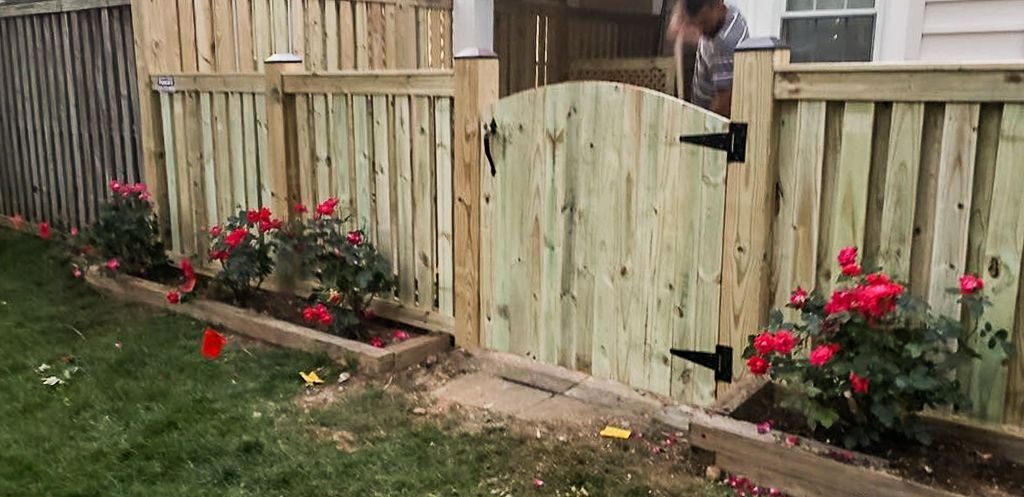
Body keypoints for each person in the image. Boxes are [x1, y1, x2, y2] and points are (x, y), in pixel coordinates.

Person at [668, 0, 749, 117]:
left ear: (718, 5)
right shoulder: (729, 14)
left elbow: (724, 104)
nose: (700, 31)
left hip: (712, 119)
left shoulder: (725, 42)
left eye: (703, 23)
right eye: (696, 23)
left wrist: (703, 127)